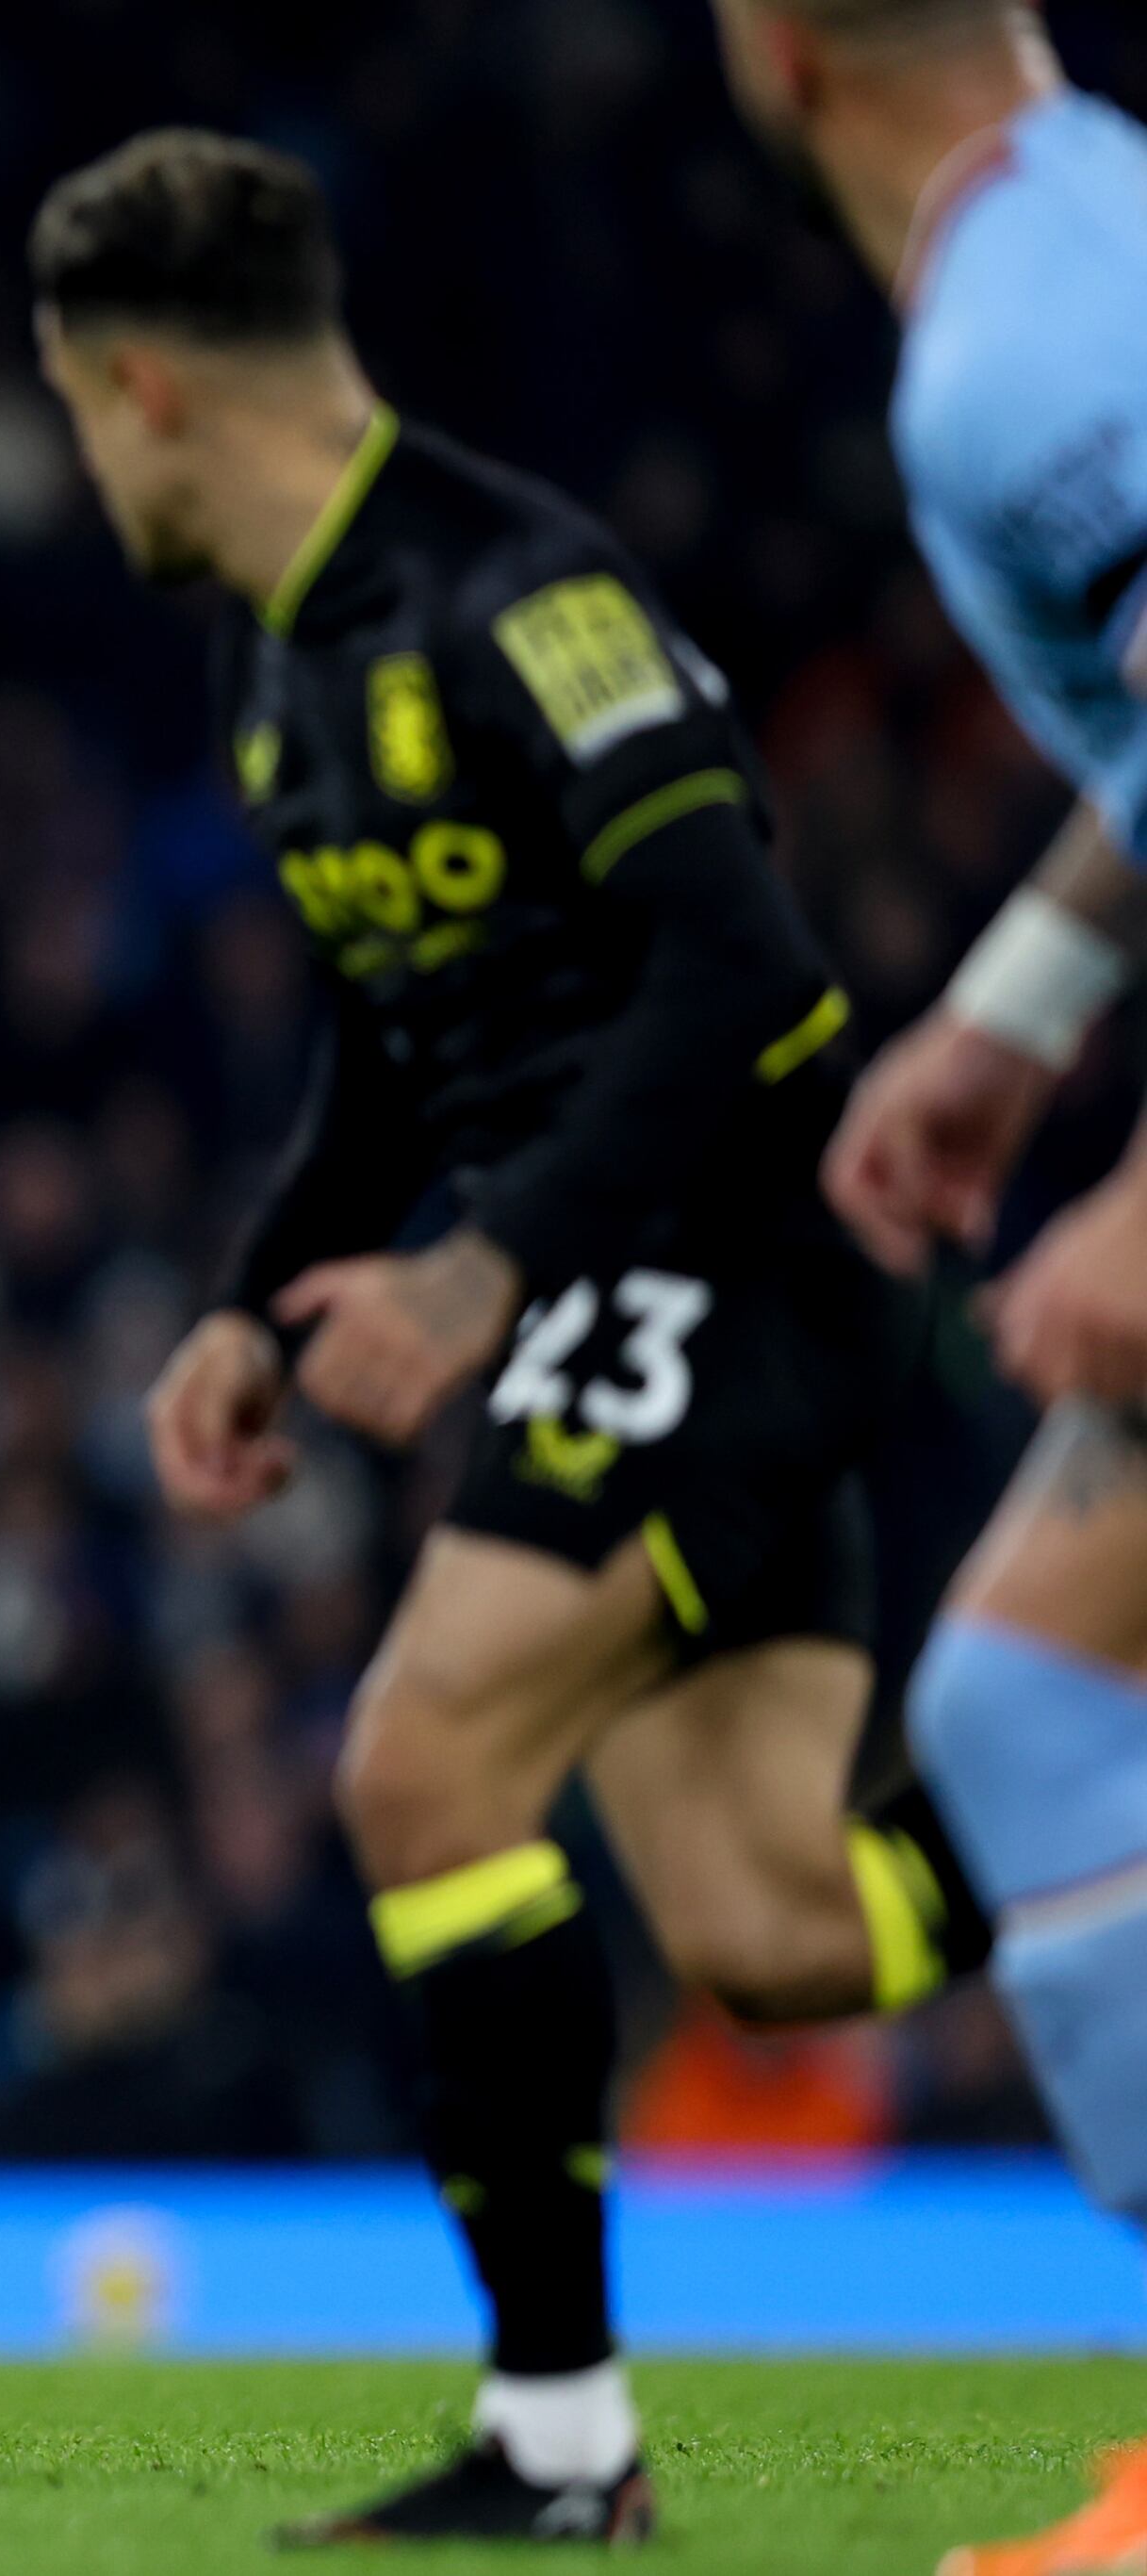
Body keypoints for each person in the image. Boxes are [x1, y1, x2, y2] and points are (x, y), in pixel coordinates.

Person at [30, 135, 989, 2545]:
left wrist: (486, 1263)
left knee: (417, 1759)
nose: (78, 462)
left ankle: (562, 2444)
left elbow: (750, 964)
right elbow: (394, 1044)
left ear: (138, 383)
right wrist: (259, 1297)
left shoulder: (508, 586)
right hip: (615, 1278)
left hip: (731, 1251)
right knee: (778, 1930)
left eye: (69, 410)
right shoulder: (276, 656)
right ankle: (1089, 1804)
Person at [719, 8, 1147, 2568]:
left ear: (774, 55)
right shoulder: (1105, 220)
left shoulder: (1026, 347)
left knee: (1039, 1688)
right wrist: (1016, 1018)